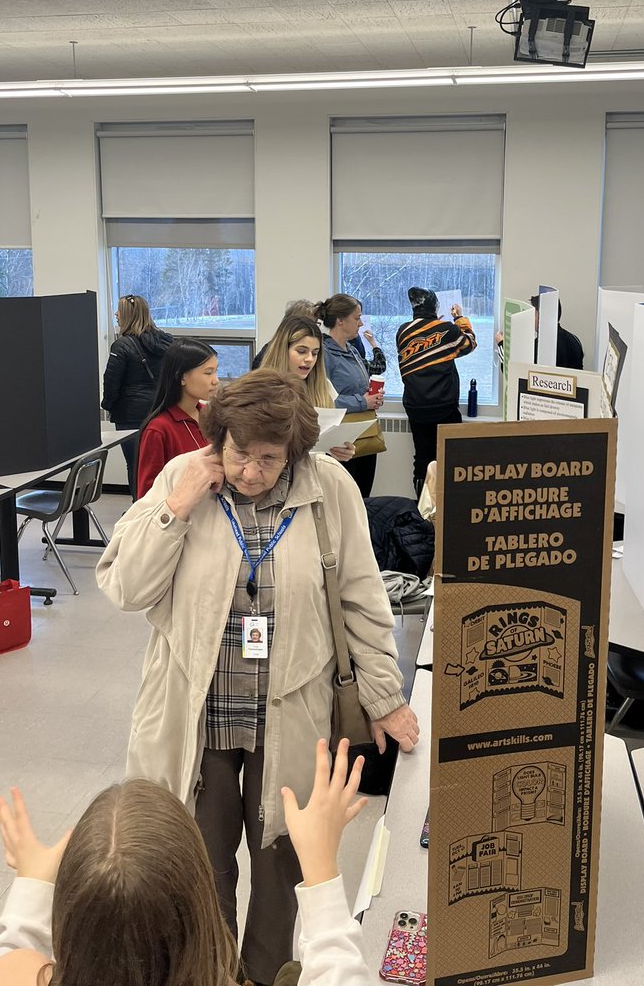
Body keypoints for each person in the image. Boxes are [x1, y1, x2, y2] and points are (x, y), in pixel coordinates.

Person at [97, 369, 418, 985]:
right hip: (199, 713)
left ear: (295, 452)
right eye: (239, 454)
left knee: (283, 865)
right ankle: (207, 973)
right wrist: (175, 507)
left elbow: (361, 599)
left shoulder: (330, 489)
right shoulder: (184, 476)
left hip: (290, 712)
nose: (250, 471)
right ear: (219, 440)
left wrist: (383, 696)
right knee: (199, 864)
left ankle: (264, 975)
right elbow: (124, 586)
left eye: (269, 459)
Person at [0, 740, 377, 986]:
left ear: (66, 914)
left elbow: (8, 952)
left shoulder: (10, 973)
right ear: (201, 904)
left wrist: (31, 882)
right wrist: (321, 866)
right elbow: (342, 976)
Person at [396, 286, 476, 498]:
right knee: (449, 458)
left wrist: (436, 325)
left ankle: (422, 508)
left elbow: (427, 349)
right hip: (444, 407)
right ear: (434, 307)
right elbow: (469, 343)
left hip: (415, 407)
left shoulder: (402, 331)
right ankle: (448, 507)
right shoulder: (447, 329)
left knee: (422, 458)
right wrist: (459, 319)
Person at [101, 294, 173, 500]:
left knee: (135, 465)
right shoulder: (165, 342)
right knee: (160, 464)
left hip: (131, 416)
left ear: (128, 315)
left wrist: (107, 405)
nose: (115, 314)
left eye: (119, 310)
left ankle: (138, 511)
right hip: (161, 410)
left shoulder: (122, 346)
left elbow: (111, 383)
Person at [258, 314, 355, 465]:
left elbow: (325, 444)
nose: (309, 359)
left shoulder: (324, 387)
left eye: (315, 353)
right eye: (302, 351)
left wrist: (341, 450)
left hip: (313, 473)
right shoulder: (260, 389)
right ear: (283, 350)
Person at [316, 294, 385, 498]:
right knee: (345, 498)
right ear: (340, 320)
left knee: (363, 494)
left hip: (363, 433)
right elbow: (323, 400)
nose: (361, 323)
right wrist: (362, 401)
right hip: (340, 439)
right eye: (357, 318)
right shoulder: (324, 354)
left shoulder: (353, 351)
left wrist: (372, 396)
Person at [135, 339, 219, 499]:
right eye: (208, 373)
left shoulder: (211, 416)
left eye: (216, 371)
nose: (215, 380)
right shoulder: (158, 430)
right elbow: (147, 496)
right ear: (181, 377)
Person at [529, 294, 584, 370]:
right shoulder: (574, 339)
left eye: (534, 314)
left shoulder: (540, 345)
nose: (531, 318)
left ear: (543, 315)